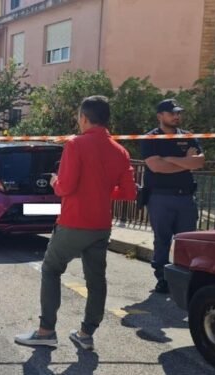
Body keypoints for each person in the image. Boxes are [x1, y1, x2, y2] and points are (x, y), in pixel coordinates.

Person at [15, 96, 136, 351]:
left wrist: (54, 182)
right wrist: (101, 191)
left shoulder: (75, 145)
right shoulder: (121, 151)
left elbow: (65, 188)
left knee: (50, 269)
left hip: (74, 221)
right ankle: (86, 334)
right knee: (96, 280)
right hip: (101, 225)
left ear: (84, 117)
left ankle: (46, 331)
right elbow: (128, 192)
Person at [142, 99, 205, 294]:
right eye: (172, 113)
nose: (176, 116)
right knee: (162, 240)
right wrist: (185, 161)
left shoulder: (188, 137)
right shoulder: (150, 138)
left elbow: (199, 162)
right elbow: (156, 166)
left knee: (188, 241)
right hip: (161, 197)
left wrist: (170, 160)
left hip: (186, 198)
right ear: (160, 116)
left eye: (178, 113)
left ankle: (186, 278)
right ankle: (163, 278)